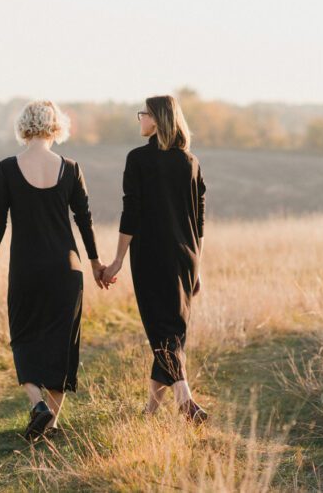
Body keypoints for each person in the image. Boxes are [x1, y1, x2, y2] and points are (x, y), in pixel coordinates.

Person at [0, 100, 102, 440]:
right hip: (68, 270)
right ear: (56, 126)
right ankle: (51, 423)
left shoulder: (6, 168)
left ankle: (39, 407)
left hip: (26, 268)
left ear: (24, 127)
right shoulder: (71, 167)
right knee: (62, 344)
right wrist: (95, 263)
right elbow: (85, 219)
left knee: (23, 336)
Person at [99, 95, 208, 423]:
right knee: (171, 330)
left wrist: (117, 260)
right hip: (186, 256)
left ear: (158, 119)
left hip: (150, 256)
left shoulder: (138, 160)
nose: (140, 119)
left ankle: (185, 400)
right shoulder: (190, 162)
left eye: (142, 114)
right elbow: (198, 219)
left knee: (163, 331)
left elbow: (131, 213)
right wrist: (197, 264)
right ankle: (149, 413)